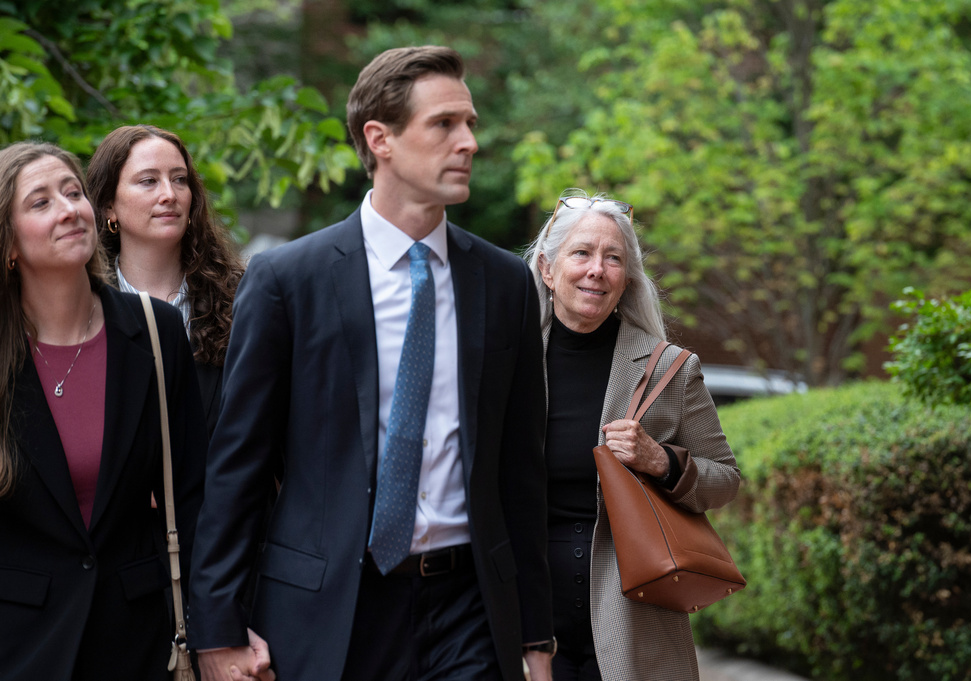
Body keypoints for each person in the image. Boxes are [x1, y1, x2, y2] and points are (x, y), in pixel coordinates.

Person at [188, 45, 554, 681]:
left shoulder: (504, 282)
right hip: (330, 612)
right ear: (378, 138)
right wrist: (217, 630)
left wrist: (535, 636)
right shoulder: (287, 280)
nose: (468, 142)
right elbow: (236, 467)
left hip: (471, 610)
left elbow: (520, 469)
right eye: (444, 124)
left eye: (470, 123)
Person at [0, 141, 207, 680]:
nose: (69, 208)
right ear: (9, 245)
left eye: (73, 193)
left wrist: (220, 630)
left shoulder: (156, 331)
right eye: (40, 202)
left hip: (138, 642)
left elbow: (194, 497)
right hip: (19, 646)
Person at [523, 189, 741, 681]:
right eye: (581, 253)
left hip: (636, 617)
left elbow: (725, 479)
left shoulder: (670, 369)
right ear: (547, 269)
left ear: (628, 278)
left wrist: (662, 461)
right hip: (525, 611)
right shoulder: (506, 362)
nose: (597, 270)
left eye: (613, 258)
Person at [86, 124, 244, 438]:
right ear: (108, 207)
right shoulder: (84, 303)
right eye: (149, 181)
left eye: (179, 179)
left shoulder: (240, 296)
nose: (169, 195)